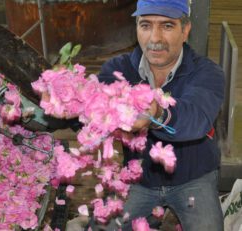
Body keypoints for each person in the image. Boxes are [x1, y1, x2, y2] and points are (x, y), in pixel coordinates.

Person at [90, 0, 225, 230]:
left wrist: (158, 114)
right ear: (136, 28)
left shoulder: (207, 72)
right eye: (145, 25)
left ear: (185, 30)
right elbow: (93, 114)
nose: (155, 38)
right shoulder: (117, 70)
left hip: (194, 177)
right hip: (140, 180)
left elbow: (196, 118)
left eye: (167, 26)